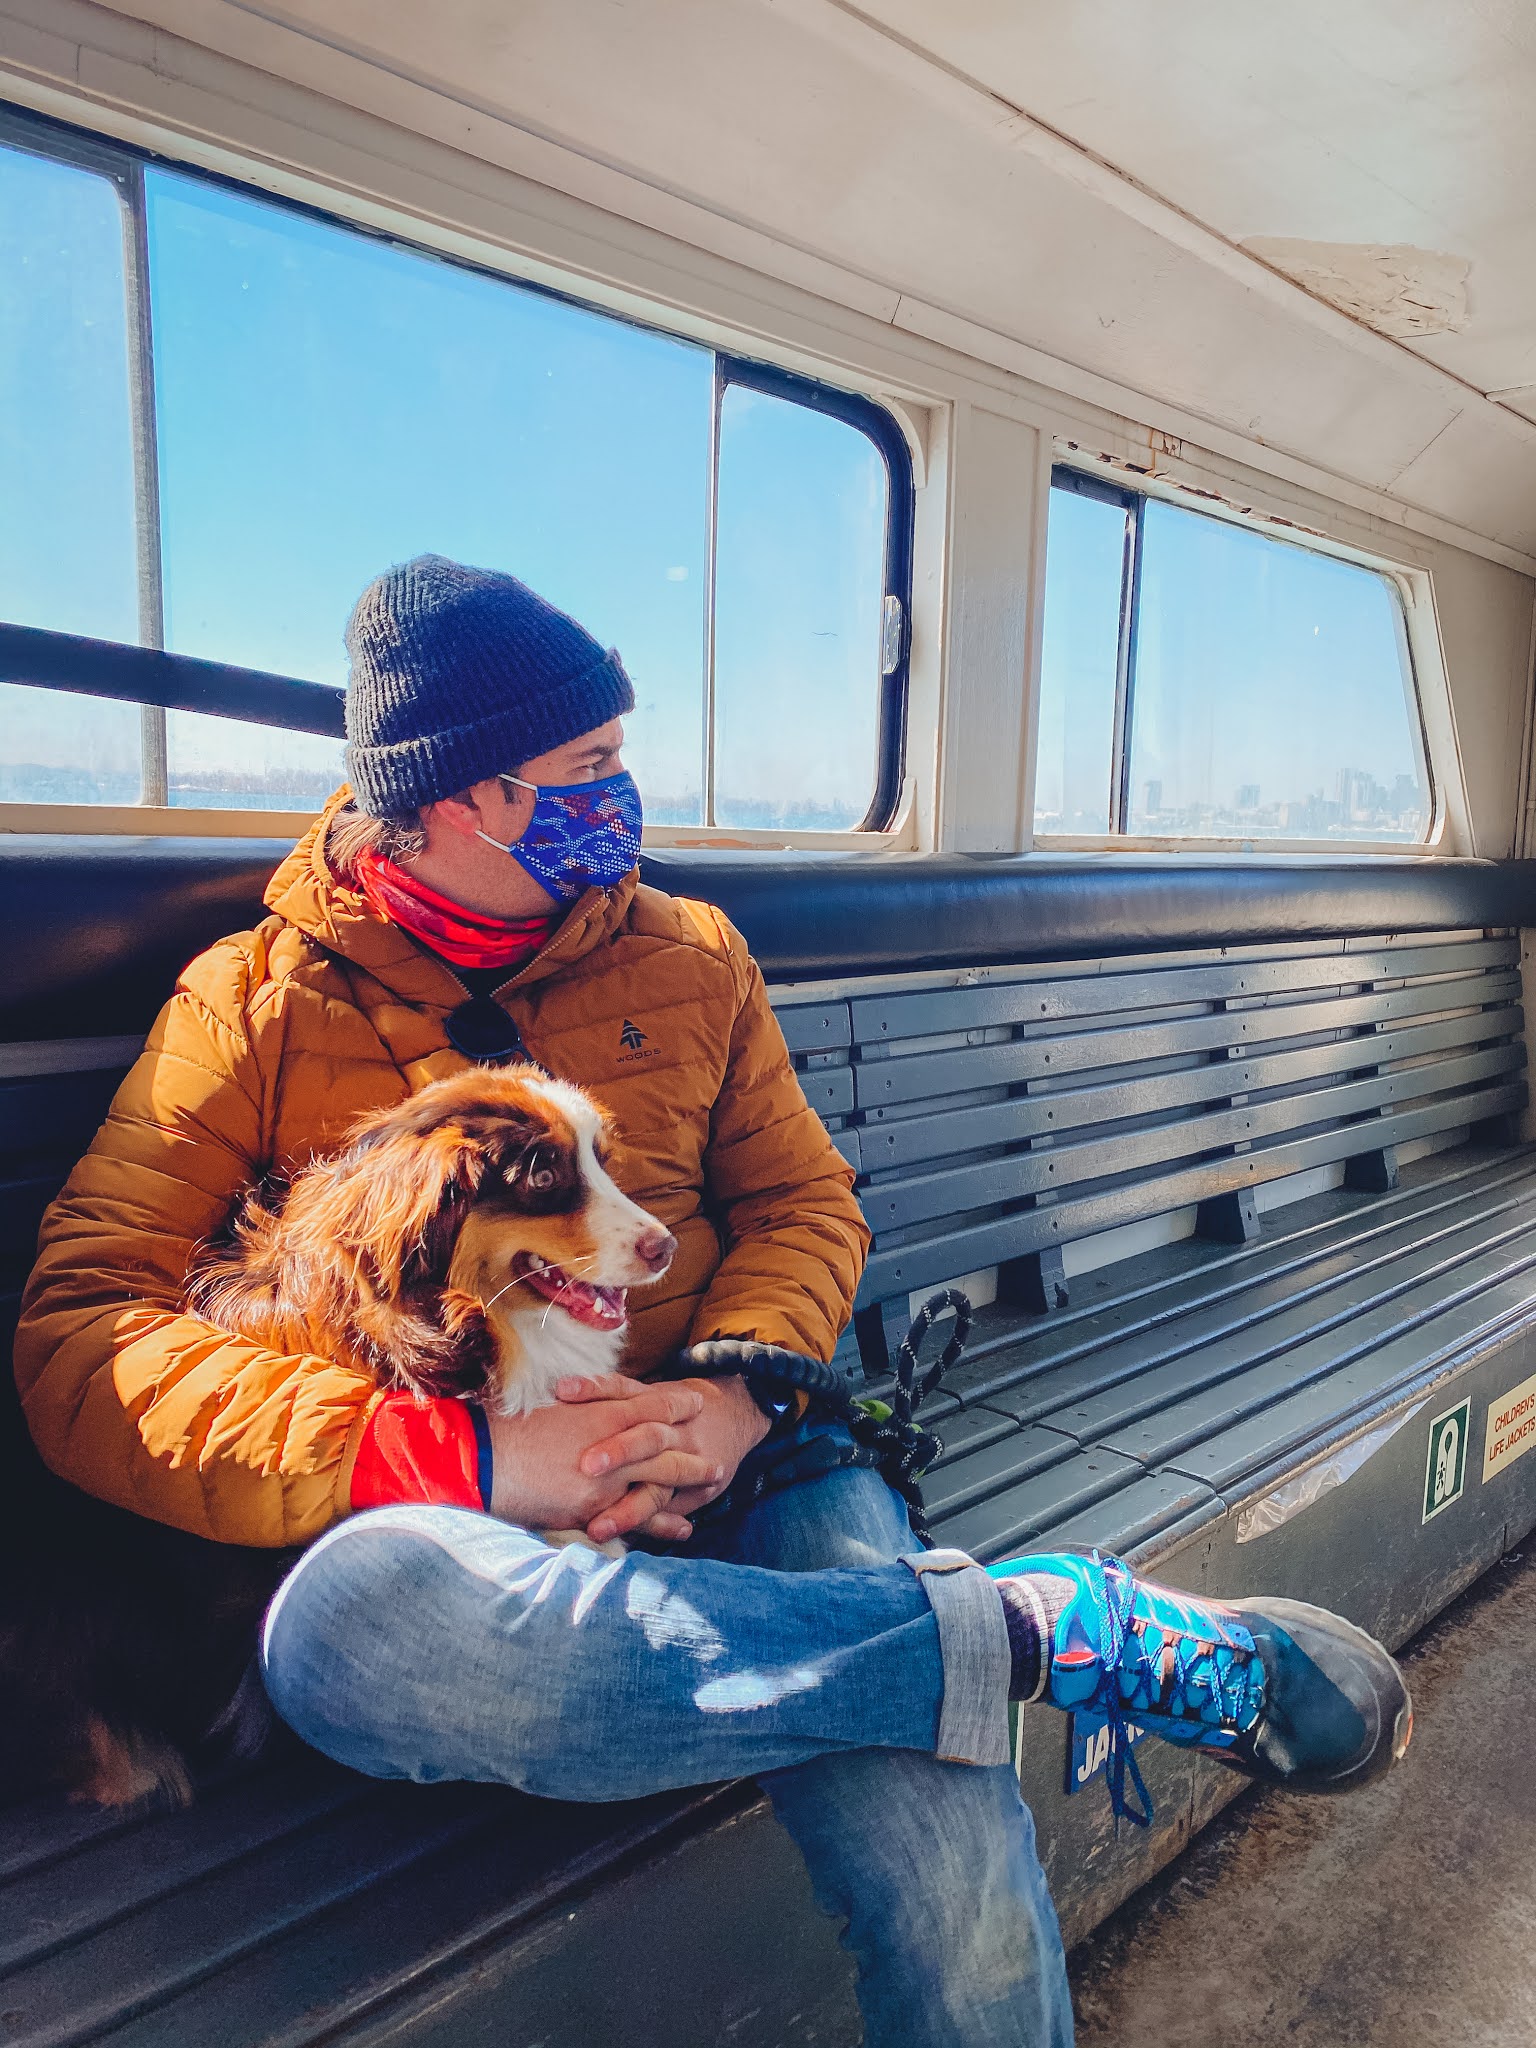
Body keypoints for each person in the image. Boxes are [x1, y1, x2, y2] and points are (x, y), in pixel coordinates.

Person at [15, 556, 1412, 2048]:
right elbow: (82, 1332)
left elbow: (805, 1205)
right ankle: (1039, 1634)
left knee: (931, 1836)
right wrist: (461, 1461)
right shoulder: (254, 1001)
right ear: (465, 797)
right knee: (350, 1638)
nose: (627, 798)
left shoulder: (691, 957)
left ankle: (959, 1649)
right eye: (592, 766)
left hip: (735, 1454)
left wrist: (737, 1392)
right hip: (439, 1532)